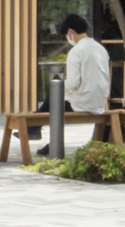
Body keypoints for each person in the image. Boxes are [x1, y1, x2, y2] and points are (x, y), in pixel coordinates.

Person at [37, 12, 114, 154]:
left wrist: (59, 84)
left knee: (55, 91)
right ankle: (42, 136)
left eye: (66, 35)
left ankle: (35, 127)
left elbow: (73, 83)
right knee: (57, 93)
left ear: (71, 32)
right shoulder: (101, 49)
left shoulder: (76, 51)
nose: (68, 39)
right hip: (99, 102)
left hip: (81, 104)